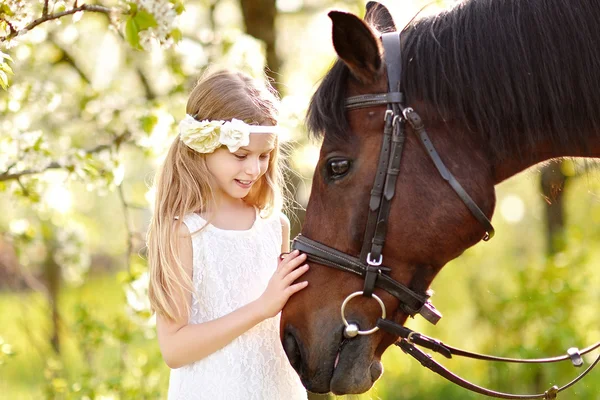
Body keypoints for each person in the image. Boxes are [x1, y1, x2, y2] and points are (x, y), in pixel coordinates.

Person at [147, 70, 309, 399]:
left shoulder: (275, 226)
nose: (254, 169)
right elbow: (174, 349)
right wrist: (261, 307)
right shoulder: (184, 232)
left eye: (264, 156)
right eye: (240, 156)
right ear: (203, 147)